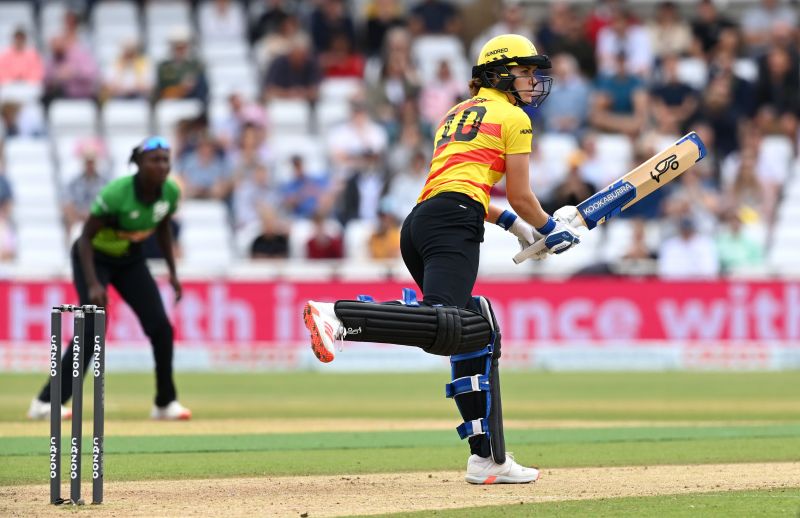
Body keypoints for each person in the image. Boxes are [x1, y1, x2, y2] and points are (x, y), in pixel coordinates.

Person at [303, 34, 580, 484]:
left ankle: (486, 459)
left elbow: (465, 186)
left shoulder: (456, 114)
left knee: (474, 330)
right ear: (500, 73)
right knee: (447, 322)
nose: (533, 80)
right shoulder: (514, 116)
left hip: (421, 222)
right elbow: (523, 195)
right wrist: (552, 230)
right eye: (526, 71)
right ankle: (338, 317)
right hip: (453, 221)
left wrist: (517, 227)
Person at [28, 137, 191, 421]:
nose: (162, 165)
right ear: (138, 164)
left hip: (129, 259)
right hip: (93, 258)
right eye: (155, 160)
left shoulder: (170, 193)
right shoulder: (117, 193)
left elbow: (162, 228)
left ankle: (165, 403)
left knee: (161, 328)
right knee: (92, 332)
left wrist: (173, 274)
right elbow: (85, 239)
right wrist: (92, 284)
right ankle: (46, 403)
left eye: (166, 159)